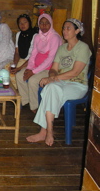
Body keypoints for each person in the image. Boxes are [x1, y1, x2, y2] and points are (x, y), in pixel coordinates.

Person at [26, 18, 91, 146]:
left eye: (68, 28)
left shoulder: (83, 48)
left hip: (77, 85)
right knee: (50, 88)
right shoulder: (61, 48)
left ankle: (45, 131)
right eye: (63, 28)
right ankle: (47, 131)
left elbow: (75, 72)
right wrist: (52, 76)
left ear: (77, 31)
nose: (64, 31)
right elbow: (53, 69)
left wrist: (52, 79)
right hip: (61, 82)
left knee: (51, 88)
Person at [16, 13, 63, 113]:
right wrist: (29, 68)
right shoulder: (37, 36)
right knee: (19, 75)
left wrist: (33, 72)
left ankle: (35, 107)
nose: (44, 26)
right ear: (38, 24)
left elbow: (50, 59)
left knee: (33, 80)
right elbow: (33, 54)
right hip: (36, 67)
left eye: (47, 23)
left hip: (49, 69)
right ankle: (26, 101)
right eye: (41, 23)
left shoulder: (55, 37)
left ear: (51, 24)